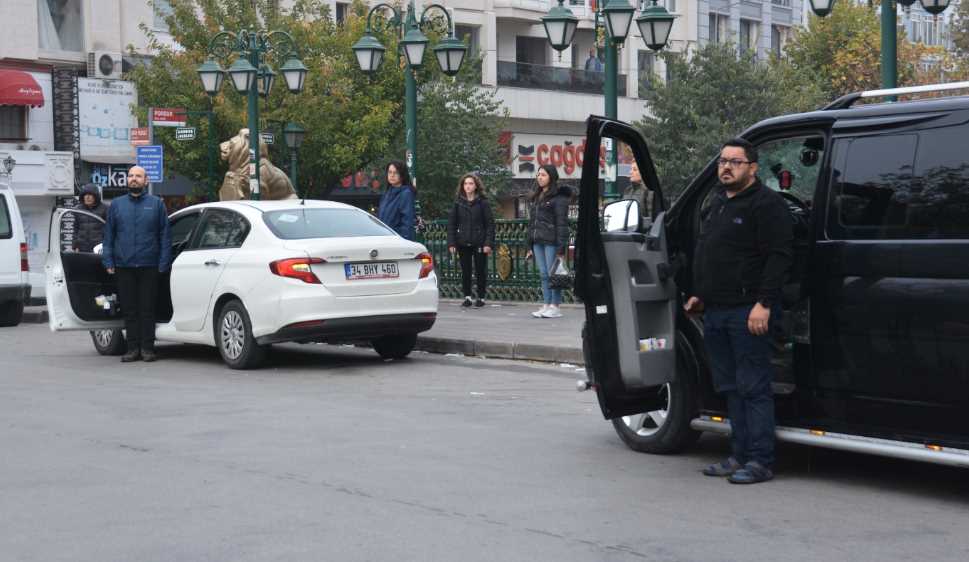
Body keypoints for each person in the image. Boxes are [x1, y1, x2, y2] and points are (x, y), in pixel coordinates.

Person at [685, 138, 793, 484]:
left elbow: (779, 258)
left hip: (748, 312)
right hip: (716, 311)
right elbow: (713, 253)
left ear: (753, 168)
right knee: (731, 387)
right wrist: (700, 295)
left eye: (734, 162)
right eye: (722, 161)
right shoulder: (718, 202)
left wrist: (764, 303)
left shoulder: (767, 204)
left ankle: (760, 461)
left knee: (753, 387)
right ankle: (738, 456)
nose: (726, 167)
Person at [102, 166, 171, 363]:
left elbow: (165, 236)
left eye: (138, 176)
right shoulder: (116, 205)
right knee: (130, 310)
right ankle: (132, 349)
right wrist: (108, 260)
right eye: (131, 176)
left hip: (150, 265)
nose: (133, 179)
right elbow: (109, 236)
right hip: (124, 266)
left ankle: (148, 349)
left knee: (147, 309)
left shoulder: (157, 204)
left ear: (145, 181)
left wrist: (163, 264)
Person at [525, 164, 571, 319]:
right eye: (538, 174)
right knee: (544, 274)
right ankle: (546, 304)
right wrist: (529, 244)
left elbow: (562, 224)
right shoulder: (537, 197)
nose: (539, 177)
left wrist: (561, 248)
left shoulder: (559, 198)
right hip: (538, 240)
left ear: (551, 177)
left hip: (551, 241)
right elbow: (532, 223)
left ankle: (555, 306)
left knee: (554, 275)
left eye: (543, 175)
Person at [447, 174, 496, 308]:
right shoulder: (458, 203)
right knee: (466, 270)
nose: (468, 186)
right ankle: (467, 297)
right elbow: (452, 224)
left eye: (471, 183)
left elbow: (490, 224)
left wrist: (488, 243)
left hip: (479, 242)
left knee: (480, 270)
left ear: (476, 186)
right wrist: (451, 243)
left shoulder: (483, 203)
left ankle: (481, 297)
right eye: (465, 184)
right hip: (463, 242)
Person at [377, 161, 416, 241]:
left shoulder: (406, 193)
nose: (392, 175)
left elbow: (407, 222)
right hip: (384, 239)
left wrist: (405, 242)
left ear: (402, 175)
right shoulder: (387, 193)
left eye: (396, 173)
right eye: (390, 172)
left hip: (397, 240)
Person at [73, 183, 108, 253]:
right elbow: (76, 229)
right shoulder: (78, 209)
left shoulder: (105, 209)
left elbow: (109, 230)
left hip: (98, 248)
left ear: (96, 196)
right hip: (82, 248)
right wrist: (75, 246)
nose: (87, 197)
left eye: (90, 195)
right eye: (85, 195)